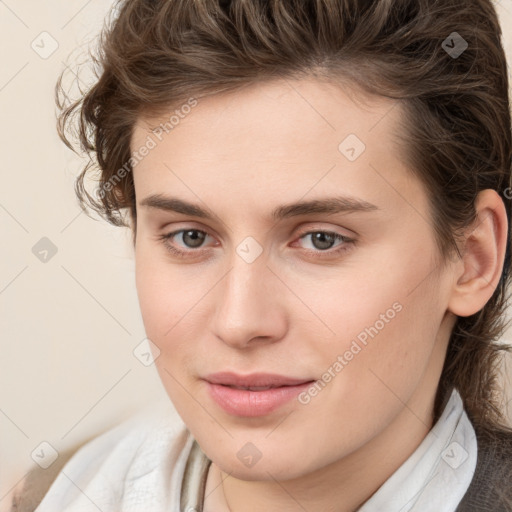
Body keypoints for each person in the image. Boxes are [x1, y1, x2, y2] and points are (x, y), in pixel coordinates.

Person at [12, 0, 512, 510]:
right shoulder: (54, 493)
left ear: (473, 259)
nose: (239, 321)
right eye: (190, 236)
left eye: (322, 239)